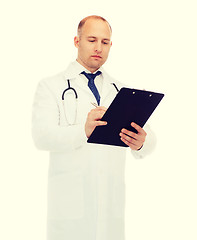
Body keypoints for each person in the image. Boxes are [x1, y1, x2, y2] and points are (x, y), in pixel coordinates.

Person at [32, 15, 156, 240]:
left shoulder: (120, 90)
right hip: (70, 211)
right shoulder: (51, 86)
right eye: (91, 40)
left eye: (105, 42)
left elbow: (150, 137)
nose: (99, 47)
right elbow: (42, 137)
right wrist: (84, 131)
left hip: (110, 211)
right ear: (76, 41)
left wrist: (142, 143)